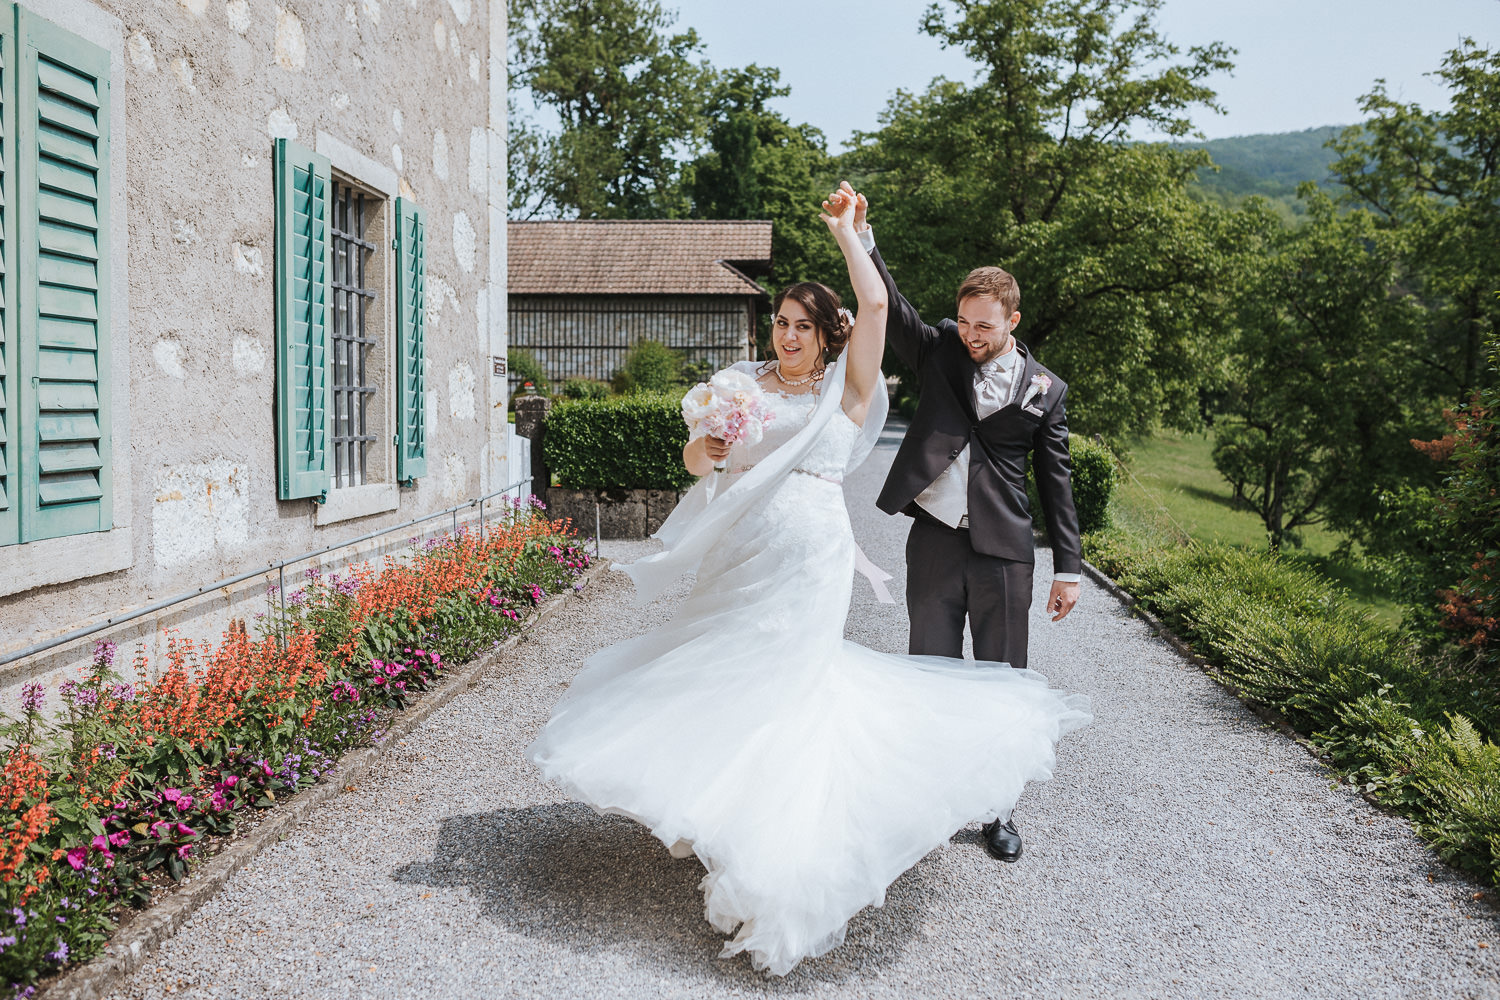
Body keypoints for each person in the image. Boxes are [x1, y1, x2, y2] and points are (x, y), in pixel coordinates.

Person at [525, 185, 1090, 977]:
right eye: (781, 322)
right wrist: (711, 452)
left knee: (802, 681)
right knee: (729, 673)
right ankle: (725, 812)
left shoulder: (850, 387)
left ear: (827, 336)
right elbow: (696, 457)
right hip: (744, 551)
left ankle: (857, 826)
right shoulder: (740, 384)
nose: (788, 334)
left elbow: (876, 301)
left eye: (802, 324)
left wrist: (847, 234)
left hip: (822, 555)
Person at [848, 185, 1083, 865]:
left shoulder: (1047, 390)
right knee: (932, 672)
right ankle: (931, 801)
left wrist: (1068, 568)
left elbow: (1055, 481)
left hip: (1007, 551)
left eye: (985, 325)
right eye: (965, 321)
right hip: (935, 541)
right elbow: (895, 313)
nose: (972, 334)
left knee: (1005, 681)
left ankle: (999, 809)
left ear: (1013, 319)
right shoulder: (943, 350)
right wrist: (866, 241)